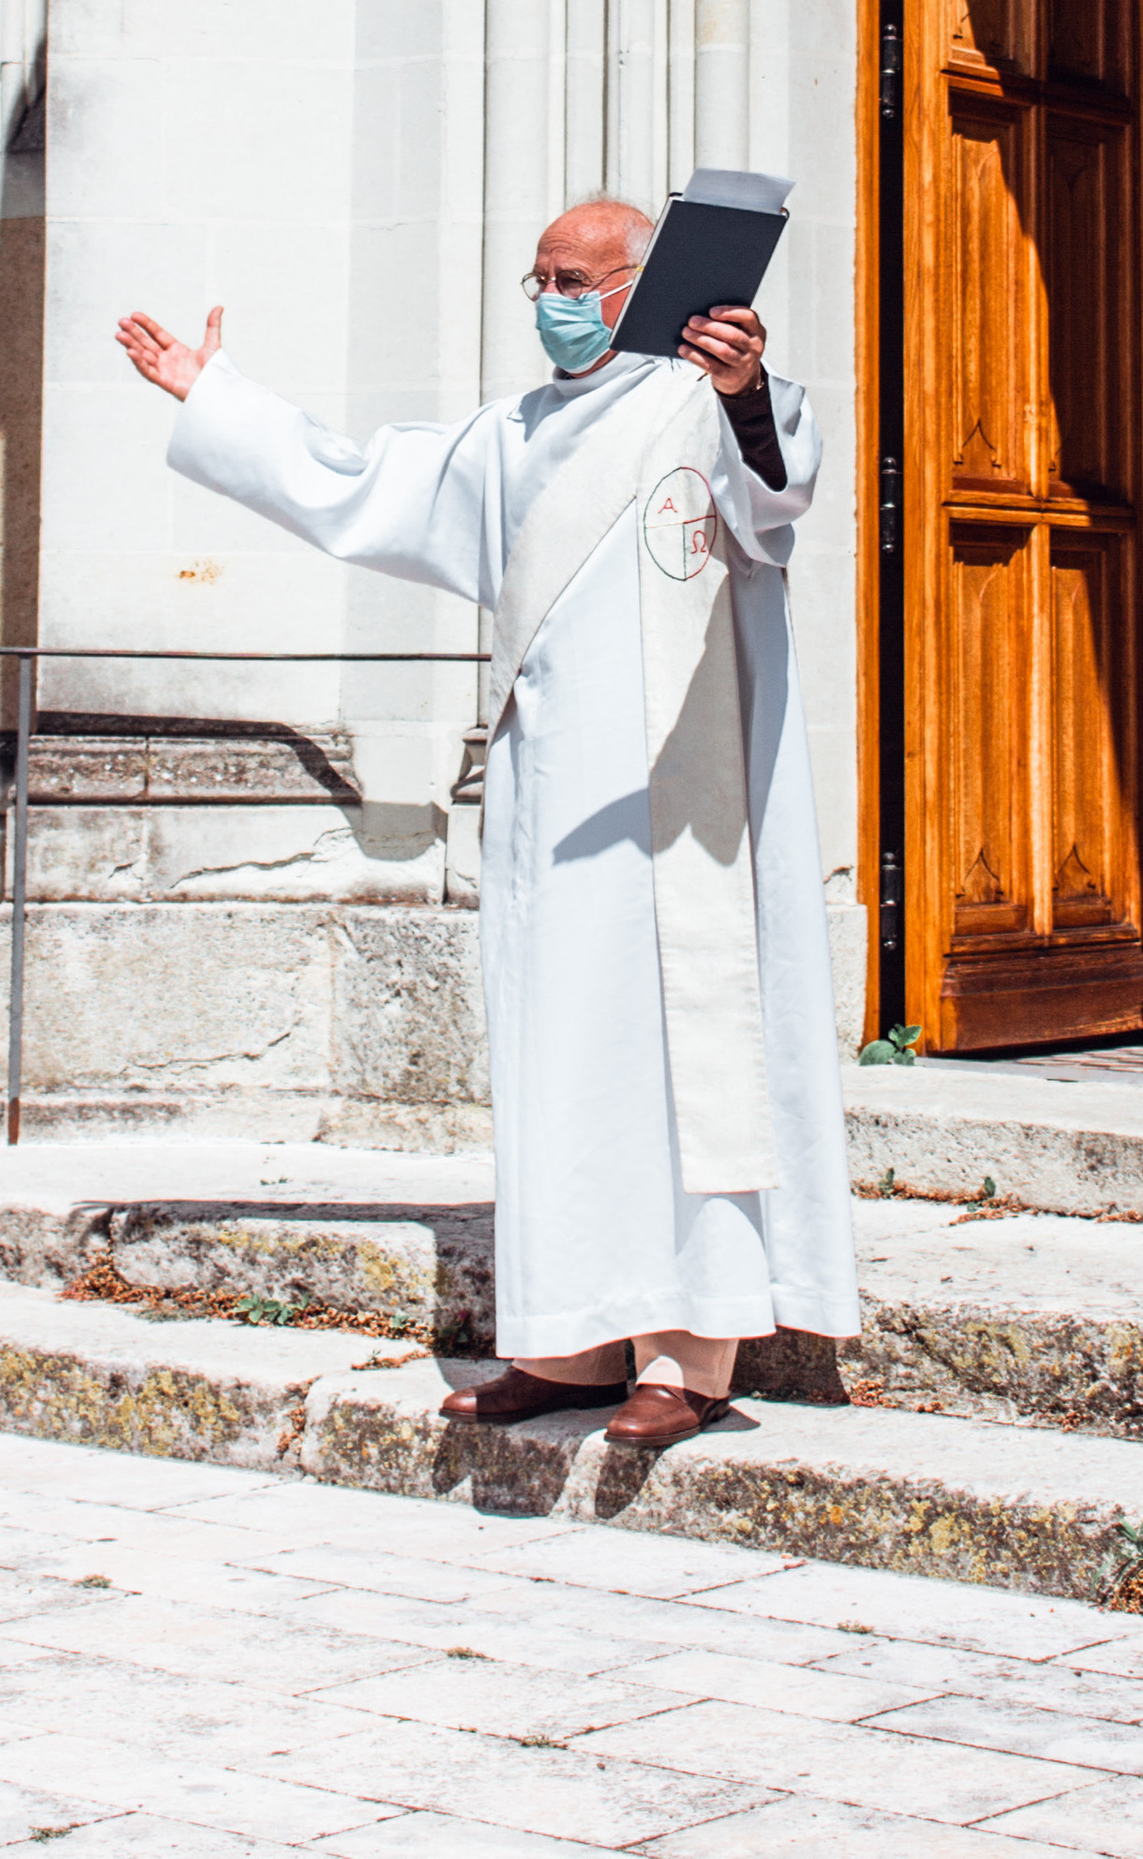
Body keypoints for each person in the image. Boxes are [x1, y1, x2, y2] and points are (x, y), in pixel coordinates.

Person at [117, 195, 857, 1448]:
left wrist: (740, 389)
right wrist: (212, 396)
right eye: (539, 279)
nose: (551, 301)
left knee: (686, 1058)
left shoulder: (696, 409)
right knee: (562, 1055)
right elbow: (359, 485)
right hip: (551, 804)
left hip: (682, 799)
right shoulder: (510, 436)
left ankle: (691, 1354)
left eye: (575, 278)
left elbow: (776, 494)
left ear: (641, 286)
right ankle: (569, 1345)